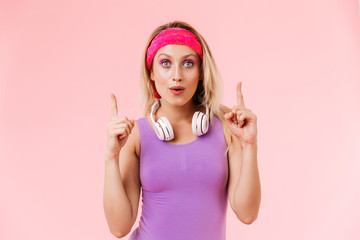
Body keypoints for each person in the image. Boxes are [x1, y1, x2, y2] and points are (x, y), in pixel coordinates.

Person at [103, 20, 261, 240]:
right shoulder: (136, 135)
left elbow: (247, 214)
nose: (176, 75)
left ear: (201, 72)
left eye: (188, 64)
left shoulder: (227, 128)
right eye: (165, 63)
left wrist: (249, 146)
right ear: (151, 72)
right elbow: (119, 228)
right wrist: (111, 157)